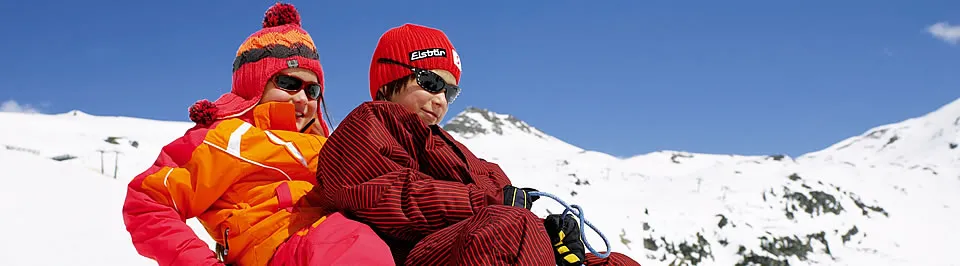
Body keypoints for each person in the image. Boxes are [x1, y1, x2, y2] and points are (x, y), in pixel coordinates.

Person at [308, 23, 640, 265]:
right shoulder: (371, 122)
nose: (440, 100)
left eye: (449, 92)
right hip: (410, 253)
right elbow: (382, 194)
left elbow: (500, 207)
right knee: (509, 227)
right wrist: (489, 201)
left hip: (473, 245)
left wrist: (553, 237)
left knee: (616, 263)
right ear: (389, 80)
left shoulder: (457, 151)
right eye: (430, 82)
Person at [121, 3, 393, 266]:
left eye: (313, 90)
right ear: (255, 85)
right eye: (288, 83)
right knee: (352, 242)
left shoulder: (330, 147)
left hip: (350, 237)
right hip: (290, 246)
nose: (302, 98)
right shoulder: (226, 138)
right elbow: (147, 202)